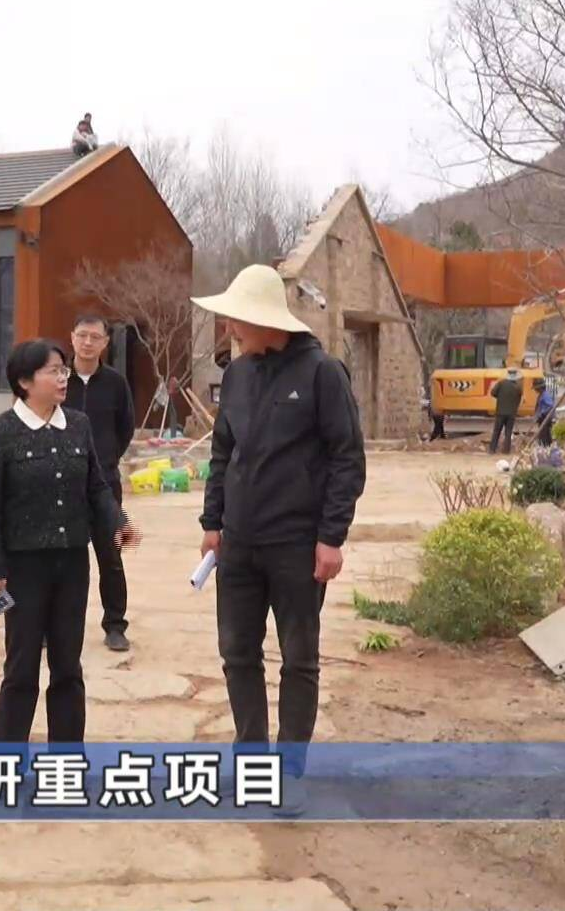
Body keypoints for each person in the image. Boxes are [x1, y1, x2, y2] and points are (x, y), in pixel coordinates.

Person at [192, 264, 364, 815]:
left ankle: (290, 773)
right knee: (237, 654)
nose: (229, 327)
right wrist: (212, 522)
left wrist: (331, 537)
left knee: (298, 659)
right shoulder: (238, 376)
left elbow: (347, 459)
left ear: (265, 319)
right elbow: (223, 452)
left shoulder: (322, 374)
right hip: (239, 543)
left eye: (236, 318)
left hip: (297, 544)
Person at [0, 339, 138, 743]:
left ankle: (66, 761)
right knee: (22, 668)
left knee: (67, 667)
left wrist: (119, 521)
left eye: (64, 370)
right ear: (25, 381)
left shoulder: (78, 425)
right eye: (53, 371)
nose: (63, 378)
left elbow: (96, 486)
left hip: (71, 564)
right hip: (22, 569)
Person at [65, 314, 137, 652]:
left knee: (111, 557)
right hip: (63, 485)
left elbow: (126, 428)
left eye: (95, 337)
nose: (88, 342)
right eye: (82, 335)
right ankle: (58, 626)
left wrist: (105, 460)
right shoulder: (58, 379)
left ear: (106, 342)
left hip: (105, 486)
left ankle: (115, 625)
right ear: (72, 337)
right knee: (64, 560)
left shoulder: (115, 383)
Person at [489, 367, 524, 454]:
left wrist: (500, 397)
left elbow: (493, 393)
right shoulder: (518, 388)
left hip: (500, 412)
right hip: (511, 414)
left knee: (496, 431)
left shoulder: (501, 383)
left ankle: (492, 450)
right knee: (508, 432)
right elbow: (518, 401)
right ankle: (506, 451)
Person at [534, 378, 559, 447]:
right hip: (542, 418)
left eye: (536, 388)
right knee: (542, 435)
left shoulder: (545, 395)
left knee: (545, 435)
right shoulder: (541, 395)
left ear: (540, 388)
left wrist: (542, 413)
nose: (535, 390)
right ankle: (545, 446)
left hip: (546, 418)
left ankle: (546, 447)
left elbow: (550, 406)